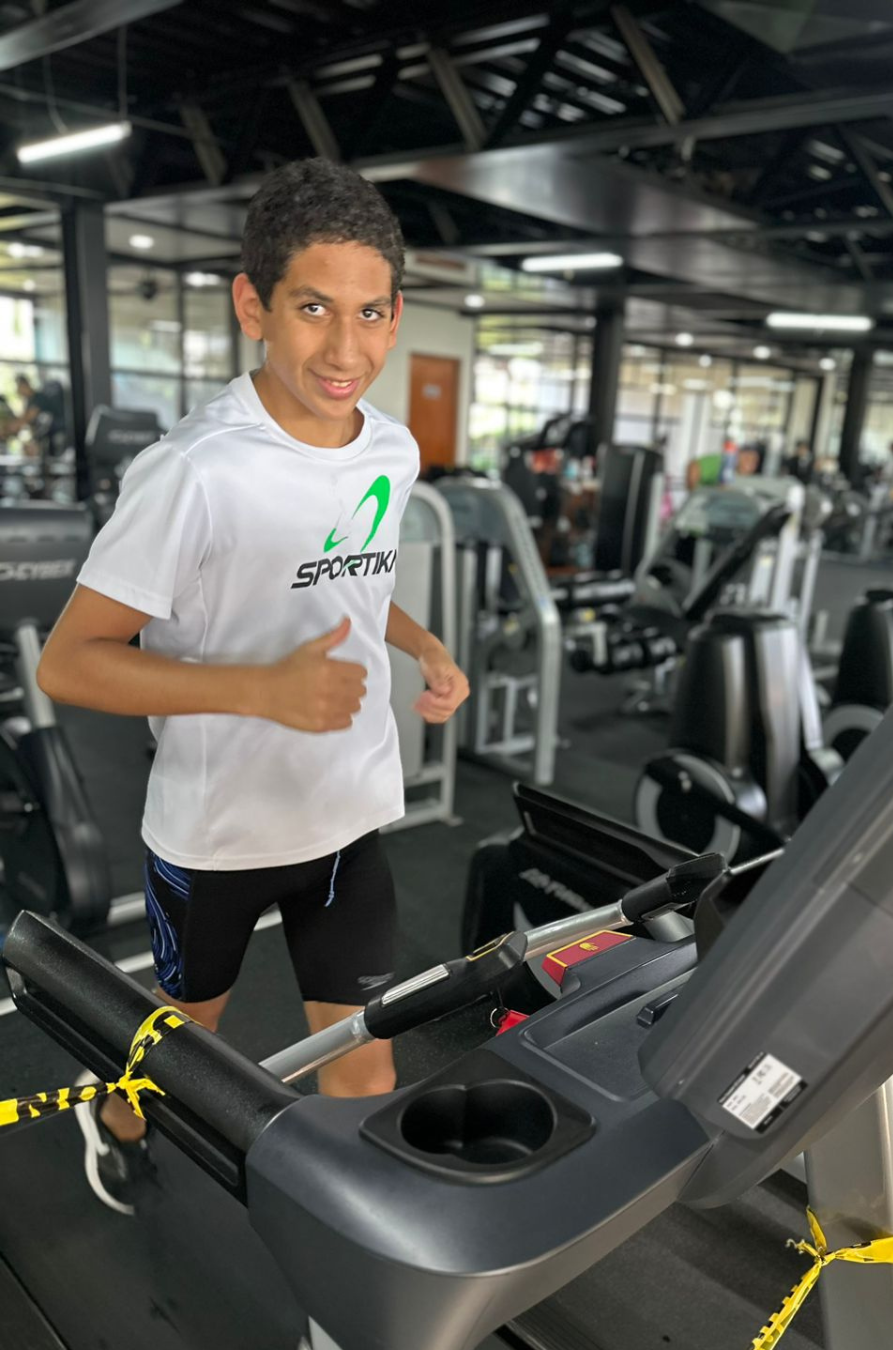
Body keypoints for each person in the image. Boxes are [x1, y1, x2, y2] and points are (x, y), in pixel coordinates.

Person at [36, 158, 470, 1214]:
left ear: (396, 313)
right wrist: (260, 692)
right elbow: (70, 659)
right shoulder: (197, 471)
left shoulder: (393, 449)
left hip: (348, 815)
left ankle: (360, 1258)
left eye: (371, 313)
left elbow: (353, 583)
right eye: (313, 309)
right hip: (216, 835)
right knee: (186, 1036)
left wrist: (423, 647)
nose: (347, 349)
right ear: (253, 307)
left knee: (362, 1056)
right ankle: (115, 1119)